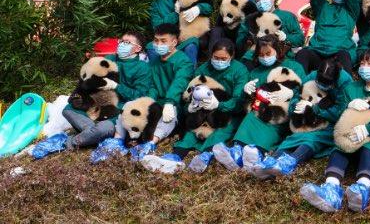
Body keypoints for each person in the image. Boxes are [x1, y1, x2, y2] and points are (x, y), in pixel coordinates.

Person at [299, 47, 370, 213]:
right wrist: (348, 105)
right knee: (340, 147)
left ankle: (362, 189)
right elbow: (339, 114)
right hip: (352, 135)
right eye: (362, 62)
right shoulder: (351, 89)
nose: (364, 66)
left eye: (369, 63)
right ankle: (330, 189)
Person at [34, 31, 151, 158]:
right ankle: (92, 134)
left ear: (138, 48)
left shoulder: (142, 68)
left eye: (127, 43)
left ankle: (66, 141)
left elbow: (139, 96)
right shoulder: (109, 59)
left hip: (116, 112)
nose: (122, 44)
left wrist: (116, 86)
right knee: (67, 110)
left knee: (103, 129)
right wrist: (78, 95)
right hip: (95, 105)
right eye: (121, 41)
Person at [140, 39, 249, 174]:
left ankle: (205, 155)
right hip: (202, 111)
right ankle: (174, 157)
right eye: (216, 57)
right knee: (191, 132)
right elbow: (189, 93)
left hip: (227, 113)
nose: (219, 61)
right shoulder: (202, 69)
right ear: (211, 55)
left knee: (222, 131)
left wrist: (219, 105)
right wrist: (190, 107)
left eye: (223, 58)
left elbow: (239, 101)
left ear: (231, 57)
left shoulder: (240, 70)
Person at [93, 24, 195, 163]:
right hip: (155, 102)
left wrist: (170, 102)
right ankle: (116, 141)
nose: (158, 44)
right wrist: (147, 101)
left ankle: (150, 144)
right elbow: (152, 84)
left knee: (169, 117)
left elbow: (179, 83)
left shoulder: (183, 62)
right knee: (129, 106)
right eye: (156, 40)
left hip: (173, 103)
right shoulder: (154, 61)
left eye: (163, 41)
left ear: (174, 42)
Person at [244, 59, 354, 179]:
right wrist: (296, 106)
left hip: (331, 122)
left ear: (335, 81)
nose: (322, 86)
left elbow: (341, 111)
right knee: (293, 137)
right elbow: (297, 93)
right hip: (308, 119)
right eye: (319, 82)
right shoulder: (313, 75)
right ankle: (271, 161)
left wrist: (315, 109)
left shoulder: (346, 83)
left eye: (327, 84)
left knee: (312, 138)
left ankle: (289, 162)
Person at [212, 35, 304, 170]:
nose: (265, 57)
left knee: (271, 125)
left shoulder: (293, 66)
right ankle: (237, 151)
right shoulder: (256, 72)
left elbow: (304, 89)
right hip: (260, 110)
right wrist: (247, 91)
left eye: (268, 53)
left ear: (277, 51)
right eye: (261, 54)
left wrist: (292, 93)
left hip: (282, 113)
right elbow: (250, 98)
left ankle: (258, 152)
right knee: (251, 117)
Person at [294, 0, 359, 74]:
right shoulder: (323, 8)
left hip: (339, 54)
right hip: (317, 52)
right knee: (302, 54)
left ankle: (344, 90)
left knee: (344, 56)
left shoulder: (351, 10)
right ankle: (298, 88)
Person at [236, 0, 305, 59]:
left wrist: (285, 38)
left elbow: (300, 39)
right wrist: (250, 37)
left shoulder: (287, 16)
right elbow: (240, 43)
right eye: (257, 0)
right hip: (257, 58)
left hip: (283, 58)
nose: (260, 1)